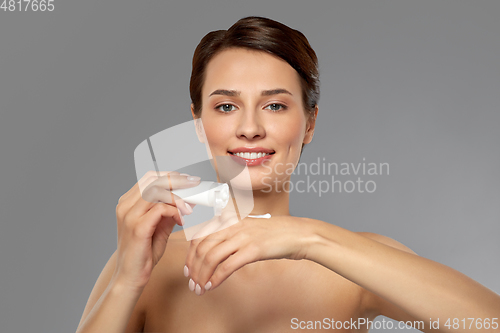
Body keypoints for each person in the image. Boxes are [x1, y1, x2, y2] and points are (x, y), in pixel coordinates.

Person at [76, 16, 500, 333]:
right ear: (198, 125)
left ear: (310, 123)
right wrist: (125, 283)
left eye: (275, 105)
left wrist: (307, 238)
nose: (249, 127)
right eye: (226, 106)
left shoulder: (347, 261)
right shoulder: (153, 263)